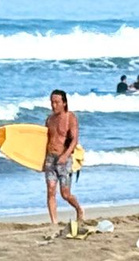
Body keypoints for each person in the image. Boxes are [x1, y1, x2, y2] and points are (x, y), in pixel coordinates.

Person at [43, 89, 82, 231]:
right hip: (50, 159)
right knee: (50, 191)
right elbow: (43, 141)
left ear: (64, 103)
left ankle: (79, 209)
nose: (53, 105)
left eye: (57, 102)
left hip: (64, 159)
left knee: (65, 194)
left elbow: (74, 140)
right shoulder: (49, 119)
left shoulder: (70, 118)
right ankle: (54, 222)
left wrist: (65, 155)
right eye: (52, 102)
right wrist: (39, 160)